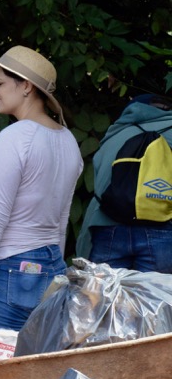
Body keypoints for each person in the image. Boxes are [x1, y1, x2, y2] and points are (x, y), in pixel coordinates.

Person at [0, 46, 82, 331]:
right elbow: (62, 222)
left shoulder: (13, 138)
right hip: (52, 269)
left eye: (0, 83)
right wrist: (52, 274)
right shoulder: (70, 143)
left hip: (9, 270)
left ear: (26, 86)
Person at [76, 94, 172, 272]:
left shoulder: (115, 133)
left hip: (108, 226)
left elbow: (99, 188)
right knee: (156, 297)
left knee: (103, 298)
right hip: (163, 230)